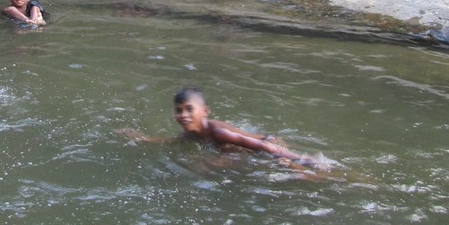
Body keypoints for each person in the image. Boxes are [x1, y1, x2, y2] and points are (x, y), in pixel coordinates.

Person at [121, 87, 320, 168]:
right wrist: (146, 138)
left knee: (296, 171)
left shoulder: (217, 132)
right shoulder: (191, 132)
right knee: (214, 162)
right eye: (179, 111)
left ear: (205, 111)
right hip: (250, 149)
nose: (183, 115)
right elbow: (175, 141)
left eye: (189, 109)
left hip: (267, 146)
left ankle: (324, 172)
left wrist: (301, 160)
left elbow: (263, 146)